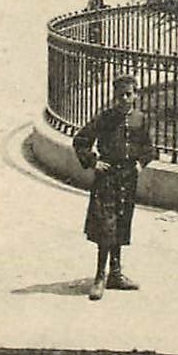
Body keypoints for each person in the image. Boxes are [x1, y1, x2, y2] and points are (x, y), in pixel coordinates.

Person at [73, 74, 157, 300]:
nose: (125, 99)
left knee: (120, 222)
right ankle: (100, 276)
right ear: (114, 97)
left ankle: (116, 274)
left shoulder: (140, 119)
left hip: (127, 178)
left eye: (129, 94)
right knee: (105, 225)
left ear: (136, 95)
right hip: (107, 179)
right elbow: (81, 140)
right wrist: (93, 162)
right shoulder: (105, 118)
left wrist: (140, 164)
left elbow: (149, 148)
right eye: (120, 95)